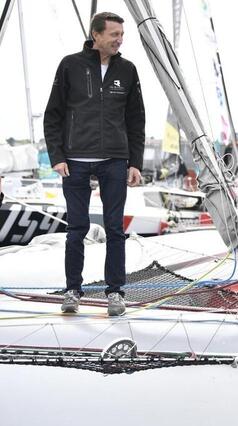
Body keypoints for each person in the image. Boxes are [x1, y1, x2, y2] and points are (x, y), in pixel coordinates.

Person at [44, 12, 145, 316]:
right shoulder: (70, 65)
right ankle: (73, 290)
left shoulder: (127, 70)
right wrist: (57, 156)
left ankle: (115, 292)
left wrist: (135, 162)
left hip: (114, 160)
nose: (119, 39)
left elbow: (136, 119)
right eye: (114, 34)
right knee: (77, 229)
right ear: (96, 35)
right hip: (75, 160)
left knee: (115, 229)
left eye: (121, 34)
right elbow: (53, 115)